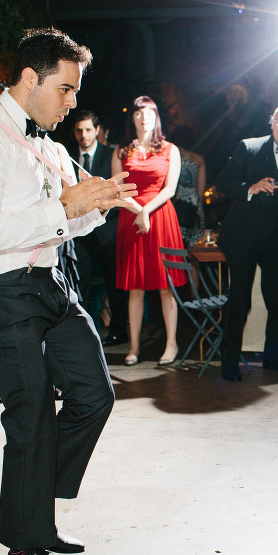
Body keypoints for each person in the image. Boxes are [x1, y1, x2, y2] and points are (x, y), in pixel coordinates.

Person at [0, 27, 136, 555]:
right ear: (30, 78)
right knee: (29, 416)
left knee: (93, 394)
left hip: (49, 284)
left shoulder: (48, 144)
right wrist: (65, 206)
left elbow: (64, 221)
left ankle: (33, 510)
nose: (73, 100)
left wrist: (97, 204)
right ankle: (24, 552)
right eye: (66, 89)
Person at [215, 104, 278, 381]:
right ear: (272, 123)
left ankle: (274, 359)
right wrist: (250, 188)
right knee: (240, 302)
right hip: (244, 236)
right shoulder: (249, 147)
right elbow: (223, 182)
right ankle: (230, 363)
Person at [112, 96, 185, 367]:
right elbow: (117, 190)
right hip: (131, 220)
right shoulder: (121, 151)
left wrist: (146, 210)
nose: (144, 118)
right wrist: (137, 211)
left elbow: (170, 189)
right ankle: (133, 347)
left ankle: (171, 343)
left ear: (156, 118)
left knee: (165, 287)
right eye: (138, 113)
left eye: (149, 113)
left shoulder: (169, 149)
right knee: (135, 289)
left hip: (160, 218)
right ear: (132, 118)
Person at [70, 110, 128, 347]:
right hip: (79, 235)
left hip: (106, 232)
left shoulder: (111, 154)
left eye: (88, 130)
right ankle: (85, 335)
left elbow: (116, 193)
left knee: (115, 286)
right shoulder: (67, 155)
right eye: (79, 130)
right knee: (79, 285)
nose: (84, 135)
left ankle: (118, 331)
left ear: (97, 131)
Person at [167, 125, 207, 246]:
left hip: (171, 201)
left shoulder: (168, 156)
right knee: (192, 248)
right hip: (192, 204)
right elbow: (200, 191)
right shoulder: (198, 159)